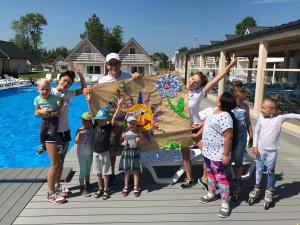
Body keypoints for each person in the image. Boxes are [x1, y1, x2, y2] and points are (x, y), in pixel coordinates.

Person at [83, 53, 140, 187]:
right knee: (112, 148)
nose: (113, 66)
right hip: (111, 119)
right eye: (111, 64)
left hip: (127, 117)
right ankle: (111, 174)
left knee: (131, 146)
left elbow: (140, 87)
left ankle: (130, 173)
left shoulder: (128, 77)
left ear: (120, 64)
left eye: (116, 63)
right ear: (107, 66)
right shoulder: (102, 81)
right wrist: (89, 92)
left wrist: (137, 76)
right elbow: (97, 99)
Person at [181, 54, 237, 189]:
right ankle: (190, 179)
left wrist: (231, 64)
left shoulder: (201, 91)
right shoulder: (179, 89)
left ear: (200, 85)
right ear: (190, 77)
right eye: (193, 78)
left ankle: (205, 178)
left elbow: (219, 76)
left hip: (196, 127)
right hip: (181, 127)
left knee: (208, 152)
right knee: (185, 154)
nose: (193, 82)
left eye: (197, 82)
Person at [248, 97, 300, 209]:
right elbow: (256, 133)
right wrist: (255, 146)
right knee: (259, 169)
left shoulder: (280, 118)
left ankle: (269, 189)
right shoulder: (261, 119)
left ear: (272, 110)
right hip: (260, 150)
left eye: (263, 107)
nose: (261, 109)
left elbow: (291, 115)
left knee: (270, 171)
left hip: (272, 151)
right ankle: (257, 187)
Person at [199, 92, 237, 218]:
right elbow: (207, 124)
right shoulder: (215, 110)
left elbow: (228, 137)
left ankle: (225, 204)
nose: (217, 96)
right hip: (208, 151)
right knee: (210, 173)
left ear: (221, 102)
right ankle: (211, 193)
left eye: (219, 96)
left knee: (221, 177)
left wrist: (226, 154)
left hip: (218, 154)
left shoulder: (225, 116)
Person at [51, 64, 86, 197]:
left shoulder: (68, 94)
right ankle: (53, 188)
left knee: (62, 160)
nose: (66, 84)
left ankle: (57, 185)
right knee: (55, 161)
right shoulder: (51, 92)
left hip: (65, 131)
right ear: (59, 79)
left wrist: (81, 74)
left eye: (69, 83)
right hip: (54, 132)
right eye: (64, 81)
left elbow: (83, 89)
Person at [34, 78, 65, 204]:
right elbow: (36, 112)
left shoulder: (54, 98)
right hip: (46, 124)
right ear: (38, 90)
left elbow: (61, 101)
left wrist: (59, 109)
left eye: (47, 89)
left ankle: (54, 189)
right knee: (55, 164)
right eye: (42, 89)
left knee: (56, 162)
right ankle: (51, 193)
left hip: (53, 124)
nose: (45, 91)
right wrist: (43, 112)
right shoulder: (37, 99)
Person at [91, 97, 123, 200]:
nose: (100, 121)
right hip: (95, 153)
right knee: (98, 173)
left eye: (102, 119)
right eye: (99, 119)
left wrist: (119, 107)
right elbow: (92, 114)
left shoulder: (108, 127)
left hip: (105, 153)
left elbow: (113, 118)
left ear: (106, 119)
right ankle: (100, 189)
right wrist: (88, 101)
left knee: (105, 173)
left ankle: (106, 189)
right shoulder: (95, 126)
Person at [231, 85, 253, 200]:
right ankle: (226, 181)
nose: (242, 101)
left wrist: (251, 136)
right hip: (229, 138)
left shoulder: (245, 107)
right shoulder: (228, 106)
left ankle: (237, 182)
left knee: (238, 160)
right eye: (240, 98)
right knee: (227, 160)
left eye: (244, 98)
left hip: (241, 138)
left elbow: (248, 122)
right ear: (233, 97)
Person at [119, 113, 143, 198]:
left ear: (136, 123)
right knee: (127, 170)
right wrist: (123, 143)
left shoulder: (138, 133)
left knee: (136, 170)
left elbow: (141, 144)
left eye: (134, 123)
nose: (132, 125)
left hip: (135, 152)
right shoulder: (124, 133)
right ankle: (125, 186)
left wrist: (139, 140)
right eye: (130, 123)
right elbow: (120, 142)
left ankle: (136, 187)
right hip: (127, 152)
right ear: (126, 123)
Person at [75, 112, 93, 197]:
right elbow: (76, 141)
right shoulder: (79, 130)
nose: (85, 123)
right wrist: (79, 134)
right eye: (84, 121)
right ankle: (82, 187)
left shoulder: (92, 129)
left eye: (87, 121)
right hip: (81, 154)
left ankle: (87, 184)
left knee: (88, 170)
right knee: (82, 170)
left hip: (90, 153)